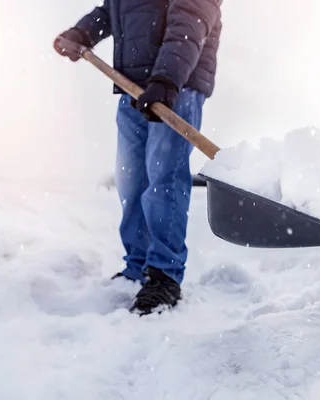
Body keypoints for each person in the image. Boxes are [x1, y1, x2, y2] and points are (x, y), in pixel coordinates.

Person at [53, 0, 223, 316]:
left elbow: (192, 17)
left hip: (175, 87)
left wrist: (166, 81)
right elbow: (114, 10)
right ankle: (139, 264)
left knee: (163, 181)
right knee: (131, 182)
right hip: (131, 86)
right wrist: (83, 31)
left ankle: (163, 274)